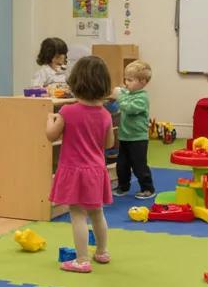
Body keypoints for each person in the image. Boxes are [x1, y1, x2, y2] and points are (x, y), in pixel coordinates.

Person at [47, 55, 113, 273]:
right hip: (96, 169)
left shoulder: (67, 111)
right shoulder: (105, 114)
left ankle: (82, 259)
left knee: (77, 214)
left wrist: (50, 120)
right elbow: (109, 143)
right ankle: (102, 252)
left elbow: (51, 136)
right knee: (97, 212)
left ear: (76, 83)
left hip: (75, 170)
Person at [114, 59, 154, 200]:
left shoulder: (142, 98)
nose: (126, 83)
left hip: (138, 138)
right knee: (122, 165)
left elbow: (129, 108)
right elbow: (123, 98)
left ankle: (148, 188)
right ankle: (123, 186)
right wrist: (121, 94)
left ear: (142, 82)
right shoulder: (129, 94)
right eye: (126, 80)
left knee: (139, 166)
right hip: (125, 136)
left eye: (130, 80)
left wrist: (119, 96)